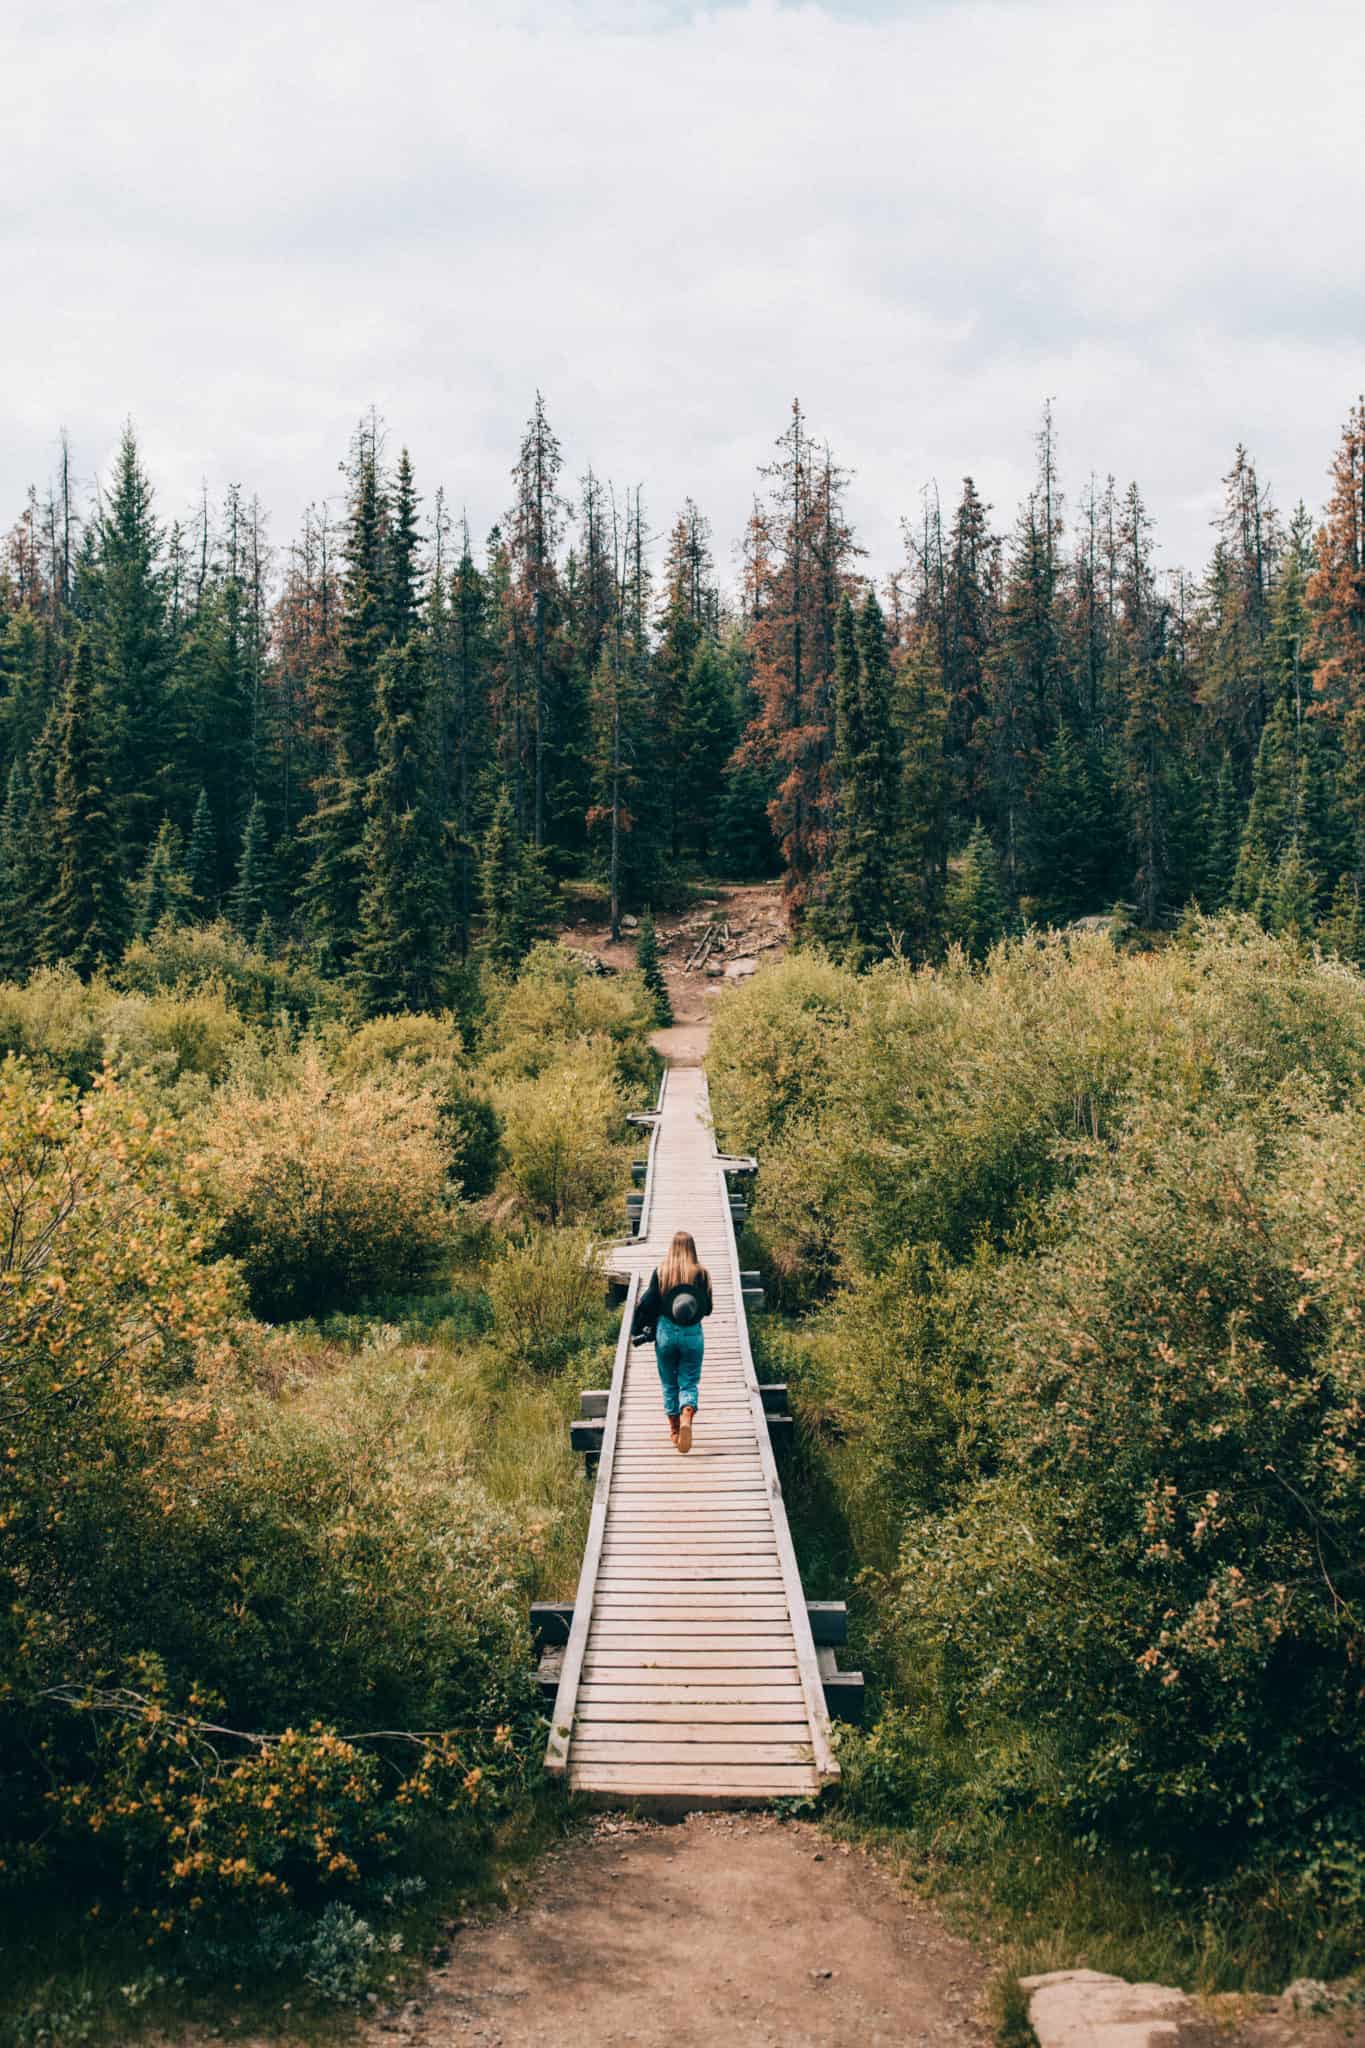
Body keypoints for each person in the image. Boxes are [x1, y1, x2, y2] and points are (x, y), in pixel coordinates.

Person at [631, 1229, 713, 1452]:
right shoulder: (702, 1273)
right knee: (689, 1381)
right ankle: (687, 1415)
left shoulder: (661, 1272)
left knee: (669, 1383)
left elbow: (649, 1303)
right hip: (692, 1333)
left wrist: (637, 1325)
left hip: (666, 1332)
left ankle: (675, 1431)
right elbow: (708, 1310)